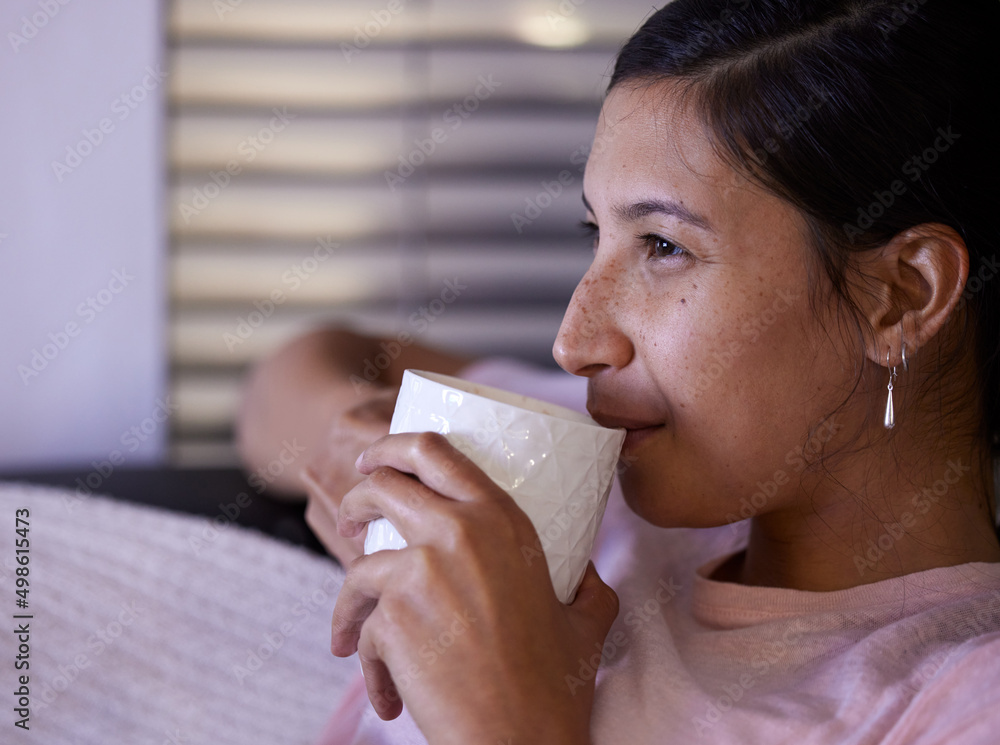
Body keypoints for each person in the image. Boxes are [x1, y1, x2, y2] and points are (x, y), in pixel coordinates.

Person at [237, 0, 1000, 742]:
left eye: (663, 247)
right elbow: (292, 376)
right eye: (596, 233)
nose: (576, 341)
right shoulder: (578, 487)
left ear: (902, 295)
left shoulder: (962, 698)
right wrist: (356, 438)